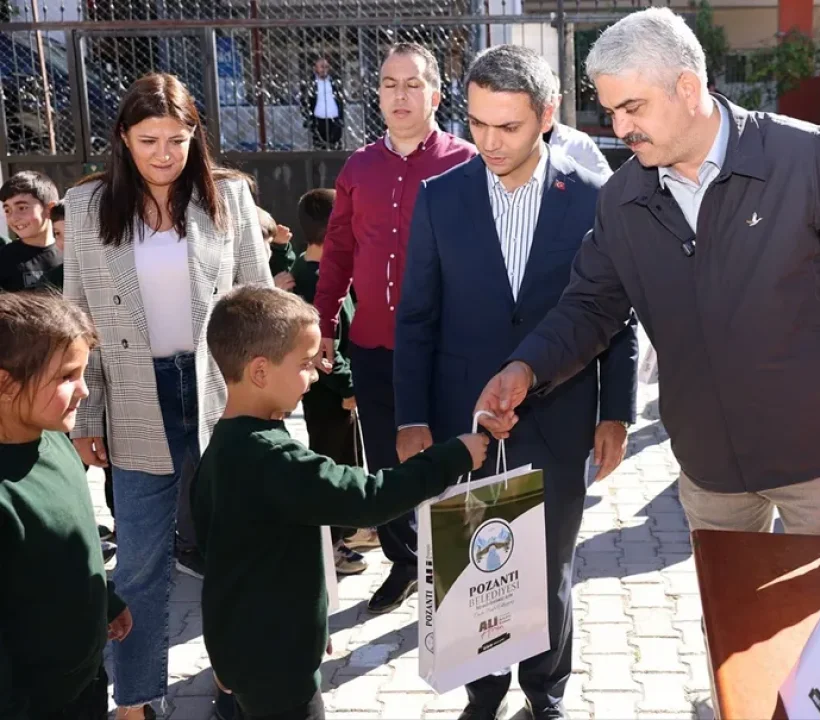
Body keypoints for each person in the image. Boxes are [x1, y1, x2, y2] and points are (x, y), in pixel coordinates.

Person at [474, 8, 820, 537]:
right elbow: (590, 306)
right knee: (728, 618)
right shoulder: (623, 199)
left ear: (688, 89)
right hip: (710, 466)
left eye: (632, 107)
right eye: (610, 110)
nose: (620, 128)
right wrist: (527, 367)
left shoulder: (806, 158)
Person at [394, 45, 637, 720]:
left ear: (548, 115)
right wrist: (411, 417)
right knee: (471, 556)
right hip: (460, 421)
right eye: (477, 124)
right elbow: (415, 316)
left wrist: (616, 410)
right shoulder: (440, 198)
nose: (490, 142)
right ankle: (483, 689)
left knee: (549, 564)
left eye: (509, 127)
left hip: (559, 415)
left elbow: (615, 313)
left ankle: (544, 691)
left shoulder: (592, 197)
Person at [62, 72, 272, 718]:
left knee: (231, 551)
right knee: (140, 565)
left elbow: (258, 299)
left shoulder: (227, 198)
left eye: (176, 140)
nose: (162, 154)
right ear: (123, 139)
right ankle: (136, 698)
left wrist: (266, 396)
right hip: (133, 395)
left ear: (194, 138)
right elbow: (79, 315)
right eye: (148, 139)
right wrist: (86, 411)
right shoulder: (87, 204)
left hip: (216, 390)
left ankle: (234, 681)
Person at [193, 285, 488, 720]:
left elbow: (226, 560)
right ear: (260, 371)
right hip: (278, 671)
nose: (315, 376)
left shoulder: (221, 448)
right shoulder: (277, 460)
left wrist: (304, 626)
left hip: (247, 651)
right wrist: (455, 456)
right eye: (305, 365)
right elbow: (372, 498)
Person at [313, 42, 477, 615]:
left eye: (413, 84)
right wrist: (325, 320)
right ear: (378, 94)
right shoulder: (359, 167)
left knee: (453, 452)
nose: (400, 95)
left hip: (449, 347)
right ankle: (404, 562)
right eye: (389, 84)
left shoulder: (466, 161)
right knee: (386, 461)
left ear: (435, 94)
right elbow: (337, 249)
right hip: (375, 345)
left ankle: (460, 572)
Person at [0, 292, 133, 718]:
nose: (85, 390)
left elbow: (72, 544)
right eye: (66, 376)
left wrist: (105, 602)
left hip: (87, 679)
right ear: (5, 384)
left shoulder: (54, 438)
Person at [289, 188, 367, 575]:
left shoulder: (310, 269)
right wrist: (349, 387)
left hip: (336, 392)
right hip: (327, 393)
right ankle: (332, 544)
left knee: (349, 459)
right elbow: (322, 349)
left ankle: (352, 529)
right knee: (333, 463)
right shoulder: (311, 281)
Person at [0, 170, 62, 291]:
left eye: (22, 208)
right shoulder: (4, 260)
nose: (14, 217)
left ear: (49, 209)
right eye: (7, 210)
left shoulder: (70, 255)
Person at [545, 71, 612, 178]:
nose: (545, 101)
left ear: (558, 99)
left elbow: (606, 184)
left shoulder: (579, 143)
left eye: (550, 94)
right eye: (540, 94)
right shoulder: (514, 140)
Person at [303, 56, 345, 150]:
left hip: (335, 119)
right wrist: (308, 119)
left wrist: (341, 118)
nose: (324, 69)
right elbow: (305, 102)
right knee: (320, 148)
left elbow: (341, 100)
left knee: (336, 148)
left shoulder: (334, 82)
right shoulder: (311, 83)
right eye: (321, 67)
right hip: (319, 120)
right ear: (315, 68)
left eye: (326, 67)